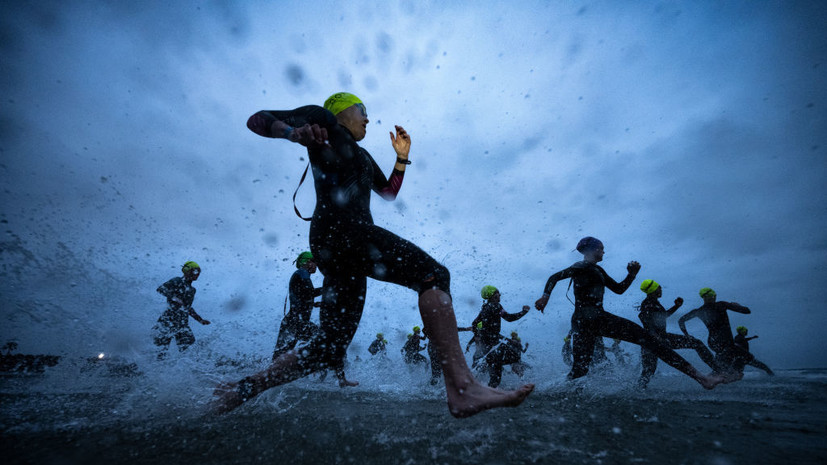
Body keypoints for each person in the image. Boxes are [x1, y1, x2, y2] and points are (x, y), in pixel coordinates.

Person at [213, 93, 533, 417]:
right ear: (342, 110)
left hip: (337, 245)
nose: (367, 118)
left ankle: (243, 389)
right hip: (346, 231)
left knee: (330, 346)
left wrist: (402, 158)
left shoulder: (363, 156)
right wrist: (292, 133)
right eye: (362, 111)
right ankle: (463, 389)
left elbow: (389, 193)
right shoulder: (323, 121)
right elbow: (258, 119)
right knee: (434, 275)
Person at [534, 237, 725, 389]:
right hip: (593, 318)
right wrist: (545, 297)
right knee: (649, 340)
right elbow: (554, 277)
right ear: (592, 249)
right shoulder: (581, 266)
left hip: (584, 321)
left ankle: (545, 389)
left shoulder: (597, 270)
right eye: (601, 248)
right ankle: (702, 378)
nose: (604, 251)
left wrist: (631, 275)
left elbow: (618, 289)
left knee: (579, 370)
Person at [636, 279, 719, 388]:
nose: (661, 289)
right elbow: (644, 318)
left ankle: (639, 390)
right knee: (649, 371)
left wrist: (676, 306)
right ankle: (718, 369)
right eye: (659, 287)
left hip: (654, 340)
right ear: (653, 289)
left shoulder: (654, 303)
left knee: (648, 371)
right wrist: (654, 335)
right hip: (656, 339)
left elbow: (662, 317)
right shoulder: (648, 304)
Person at [678, 288, 752, 377]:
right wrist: (737, 305)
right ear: (713, 296)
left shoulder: (699, 311)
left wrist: (687, 335)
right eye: (714, 295)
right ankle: (724, 376)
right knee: (745, 357)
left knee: (723, 363)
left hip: (713, 342)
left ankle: (721, 376)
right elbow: (747, 311)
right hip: (726, 342)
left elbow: (681, 320)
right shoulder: (721, 304)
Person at [471, 285, 530, 388]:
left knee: (494, 380)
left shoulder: (484, 308)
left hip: (487, 349)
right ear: (492, 295)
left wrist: (480, 334)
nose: (499, 295)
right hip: (494, 349)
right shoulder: (496, 306)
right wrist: (524, 311)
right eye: (498, 293)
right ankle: (523, 382)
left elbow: (474, 324)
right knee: (514, 356)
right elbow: (509, 318)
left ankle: (482, 396)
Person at [153, 261, 210, 359]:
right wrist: (173, 297)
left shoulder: (192, 290)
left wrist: (200, 319)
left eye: (199, 272)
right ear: (187, 271)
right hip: (168, 321)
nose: (197, 274)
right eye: (195, 271)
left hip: (182, 323)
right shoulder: (177, 281)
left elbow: (187, 308)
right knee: (160, 352)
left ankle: (187, 371)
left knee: (189, 352)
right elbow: (161, 289)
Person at [272, 252, 322, 361]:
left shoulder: (301, 275)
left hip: (295, 322)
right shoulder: (302, 273)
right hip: (294, 323)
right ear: (307, 262)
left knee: (279, 357)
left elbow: (303, 296)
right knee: (323, 341)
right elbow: (310, 292)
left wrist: (316, 304)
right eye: (315, 262)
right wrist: (330, 287)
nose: (316, 266)